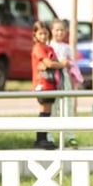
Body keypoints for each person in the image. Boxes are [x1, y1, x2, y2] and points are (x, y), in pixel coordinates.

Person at [31, 20, 66, 150]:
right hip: (42, 84)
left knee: (48, 112)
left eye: (45, 33)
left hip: (51, 84)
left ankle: (44, 139)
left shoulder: (49, 48)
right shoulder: (38, 48)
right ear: (35, 35)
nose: (43, 36)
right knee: (43, 111)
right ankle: (40, 139)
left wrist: (54, 63)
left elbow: (52, 62)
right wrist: (61, 65)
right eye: (40, 34)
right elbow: (50, 63)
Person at [50, 18, 83, 147]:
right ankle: (50, 136)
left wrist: (69, 65)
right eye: (57, 30)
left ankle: (70, 135)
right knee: (53, 108)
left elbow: (73, 64)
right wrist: (60, 64)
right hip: (53, 80)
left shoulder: (67, 47)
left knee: (67, 107)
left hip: (65, 79)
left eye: (62, 30)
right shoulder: (49, 46)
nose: (59, 33)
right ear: (52, 31)